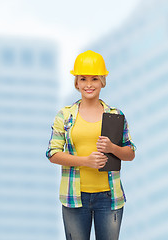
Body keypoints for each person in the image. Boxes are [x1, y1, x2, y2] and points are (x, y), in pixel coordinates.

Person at [46, 50, 136, 240]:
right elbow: (53, 153)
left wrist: (113, 148)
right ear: (76, 83)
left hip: (109, 198)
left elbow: (130, 153)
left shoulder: (115, 115)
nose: (88, 84)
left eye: (94, 79)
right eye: (83, 79)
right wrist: (85, 161)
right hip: (74, 197)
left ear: (102, 81)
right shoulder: (65, 115)